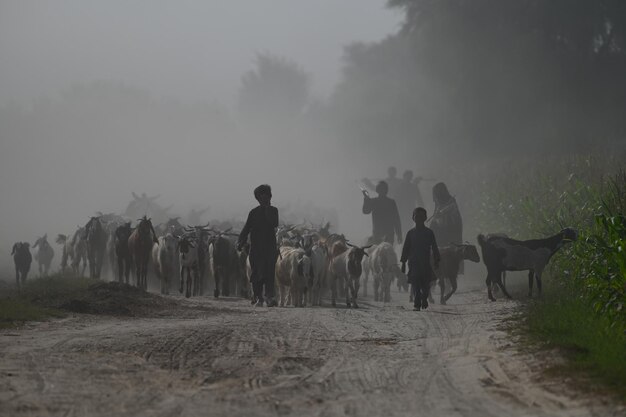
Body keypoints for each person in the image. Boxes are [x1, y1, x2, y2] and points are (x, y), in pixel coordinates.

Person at [237, 184, 279, 307]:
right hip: (255, 248)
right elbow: (246, 228)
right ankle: (258, 297)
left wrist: (267, 209)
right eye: (261, 197)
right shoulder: (253, 212)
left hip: (269, 248)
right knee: (256, 273)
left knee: (269, 273)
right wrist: (240, 241)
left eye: (266, 196)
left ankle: (269, 297)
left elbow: (274, 223)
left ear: (269, 197)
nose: (264, 199)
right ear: (258, 198)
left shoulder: (274, 211)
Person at [401, 207, 440, 311]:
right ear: (413, 218)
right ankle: (417, 304)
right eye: (416, 216)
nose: (419, 219)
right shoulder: (410, 233)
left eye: (421, 217)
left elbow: (435, 247)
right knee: (415, 283)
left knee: (426, 284)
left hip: (426, 262)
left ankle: (424, 298)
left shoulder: (429, 233)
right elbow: (406, 248)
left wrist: (437, 259)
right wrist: (403, 263)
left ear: (425, 218)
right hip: (413, 263)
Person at [362, 181, 402, 245]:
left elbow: (396, 219)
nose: (382, 190)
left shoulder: (390, 202)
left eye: (383, 189)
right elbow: (366, 211)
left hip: (386, 234)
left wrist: (399, 234)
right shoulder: (388, 202)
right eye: (381, 189)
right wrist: (366, 199)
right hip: (379, 234)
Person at [430, 182, 462, 246]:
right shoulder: (438, 202)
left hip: (451, 230)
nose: (435, 198)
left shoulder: (451, 200)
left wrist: (442, 213)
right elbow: (435, 217)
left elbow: (455, 218)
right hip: (440, 231)